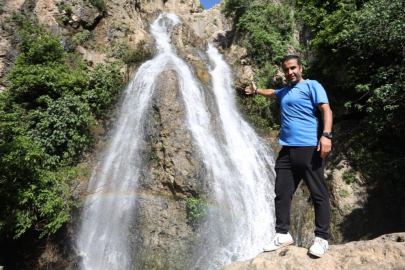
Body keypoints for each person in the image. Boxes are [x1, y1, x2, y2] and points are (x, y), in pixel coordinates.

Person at [244, 55, 333, 257]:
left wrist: (326, 135)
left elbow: (326, 109)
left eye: (293, 68)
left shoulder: (312, 85)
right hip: (286, 150)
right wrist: (256, 91)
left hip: (309, 147)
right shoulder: (285, 91)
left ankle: (321, 238)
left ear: (300, 68)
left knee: (318, 193)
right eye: (286, 70)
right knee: (282, 193)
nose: (290, 72)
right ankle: (282, 233)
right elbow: (272, 93)